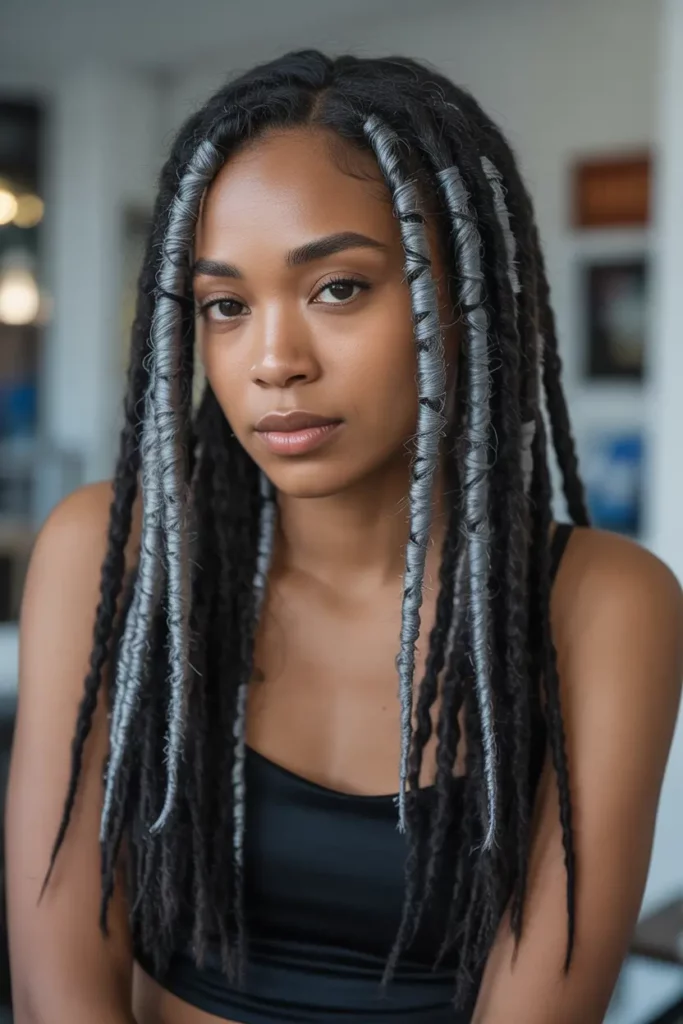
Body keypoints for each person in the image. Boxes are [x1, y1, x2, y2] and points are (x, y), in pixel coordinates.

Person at [5, 50, 683, 1024]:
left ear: (461, 304)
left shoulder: (601, 605)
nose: (274, 360)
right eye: (226, 306)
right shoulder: (112, 555)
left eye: (337, 288)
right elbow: (56, 992)